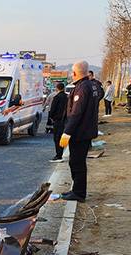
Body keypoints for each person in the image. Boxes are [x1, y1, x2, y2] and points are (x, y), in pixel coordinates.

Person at [58, 61, 100, 202]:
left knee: (77, 163)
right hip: (86, 130)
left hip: (80, 132)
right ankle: (76, 190)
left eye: (72, 71)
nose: (71, 74)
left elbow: (76, 113)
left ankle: (79, 193)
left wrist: (66, 132)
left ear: (75, 73)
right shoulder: (92, 85)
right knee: (76, 162)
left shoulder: (82, 88)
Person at [49, 82, 68, 162]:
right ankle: (61, 153)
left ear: (57, 88)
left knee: (57, 138)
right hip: (66, 120)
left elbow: (52, 109)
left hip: (58, 120)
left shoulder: (56, 97)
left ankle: (58, 155)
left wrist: (51, 117)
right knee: (63, 136)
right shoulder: (67, 97)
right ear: (63, 88)